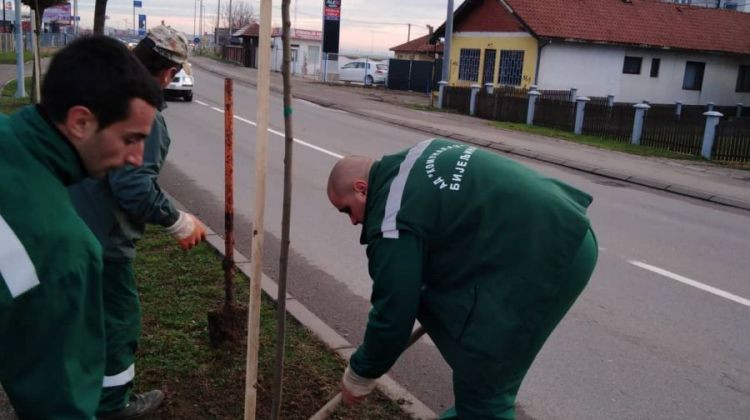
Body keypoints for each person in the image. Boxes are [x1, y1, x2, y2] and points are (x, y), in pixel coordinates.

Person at [327, 138, 599, 419]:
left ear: (361, 189)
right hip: (560, 226)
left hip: (550, 251)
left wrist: (360, 373)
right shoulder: (418, 154)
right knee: (476, 384)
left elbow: (393, 313)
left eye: (347, 209)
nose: (353, 221)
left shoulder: (393, 219)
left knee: (484, 393)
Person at [0, 36, 162, 418]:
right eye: (130, 139)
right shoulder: (62, 249)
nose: (137, 158)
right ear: (81, 122)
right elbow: (57, 406)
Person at [68, 25, 206, 419]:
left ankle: (73, 393)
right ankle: (113, 405)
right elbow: (132, 186)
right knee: (119, 321)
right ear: (167, 73)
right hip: (100, 240)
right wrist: (177, 220)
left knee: (77, 320)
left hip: (65, 224)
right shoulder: (141, 114)